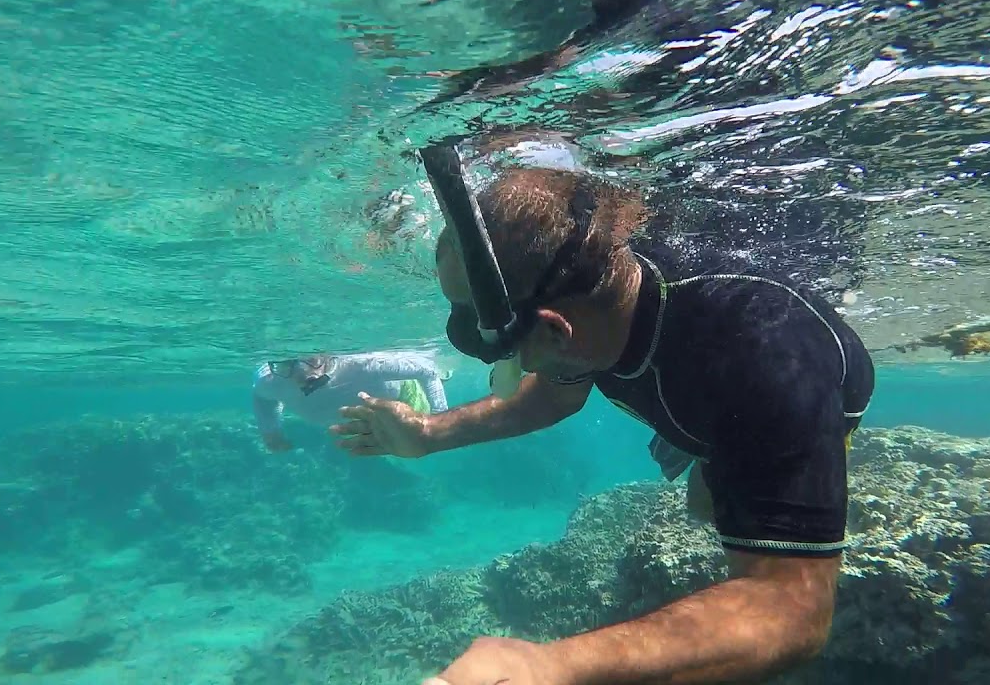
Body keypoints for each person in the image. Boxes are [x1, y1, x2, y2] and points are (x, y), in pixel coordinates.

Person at [331, 164, 875, 684]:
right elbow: (554, 399)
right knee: (702, 503)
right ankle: (694, 444)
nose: (471, 343)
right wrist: (429, 435)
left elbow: (791, 609)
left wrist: (551, 669)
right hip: (703, 398)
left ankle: (705, 446)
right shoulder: (598, 304)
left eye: (473, 330)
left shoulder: (766, 360)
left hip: (797, 398)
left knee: (711, 505)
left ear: (552, 331)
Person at [252, 350, 450, 453]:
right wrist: (271, 431)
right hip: (357, 426)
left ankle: (445, 375)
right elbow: (262, 399)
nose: (302, 373)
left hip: (403, 398)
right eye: (287, 364)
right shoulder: (271, 380)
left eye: (310, 359)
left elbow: (426, 370)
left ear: (326, 353)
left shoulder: (363, 365)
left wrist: (440, 419)